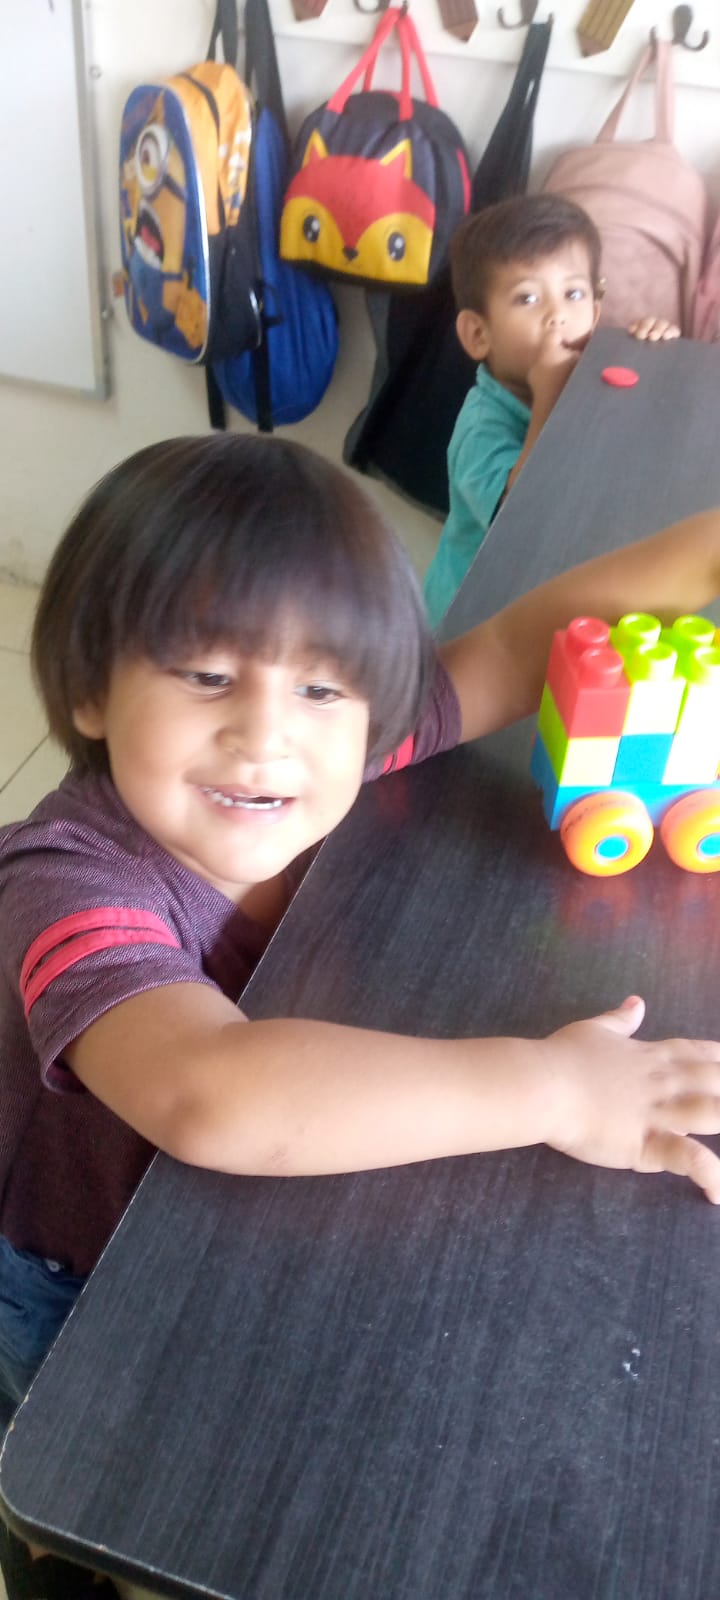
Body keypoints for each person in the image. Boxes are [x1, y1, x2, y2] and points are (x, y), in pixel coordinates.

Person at [3, 431, 720, 1439]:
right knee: (80, 1454)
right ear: (91, 689)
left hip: (238, 1227)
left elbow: (520, 647)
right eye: (206, 674)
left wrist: (708, 547)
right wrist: (557, 1087)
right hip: (78, 1266)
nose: (267, 734)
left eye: (320, 686)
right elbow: (209, 1092)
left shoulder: (324, 751)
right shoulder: (63, 878)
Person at [423, 194, 681, 627]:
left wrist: (649, 356)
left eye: (573, 293)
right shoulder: (479, 428)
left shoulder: (588, 376)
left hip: (548, 596)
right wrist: (549, 397)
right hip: (471, 623)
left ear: (595, 314)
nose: (558, 315)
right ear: (478, 334)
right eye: (527, 298)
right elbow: (521, 519)